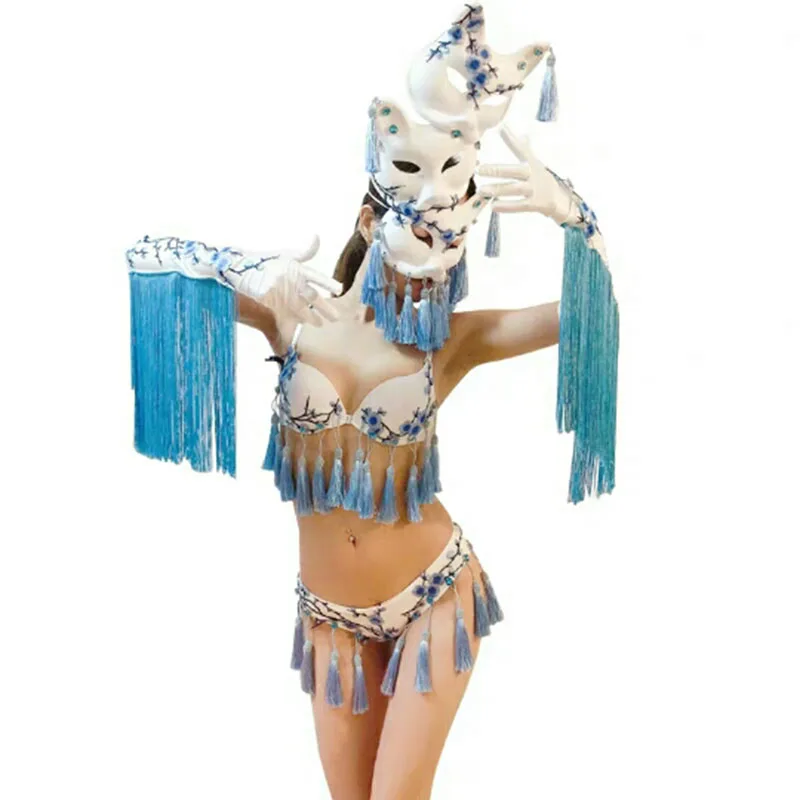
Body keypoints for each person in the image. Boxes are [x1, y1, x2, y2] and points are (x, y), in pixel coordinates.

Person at [126, 6, 618, 798]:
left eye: (450, 241)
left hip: (434, 594)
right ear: (370, 216)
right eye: (421, 230)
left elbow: (591, 316)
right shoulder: (291, 315)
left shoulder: (451, 341)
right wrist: (241, 269)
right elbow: (144, 260)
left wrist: (576, 218)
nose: (434, 258)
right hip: (328, 614)